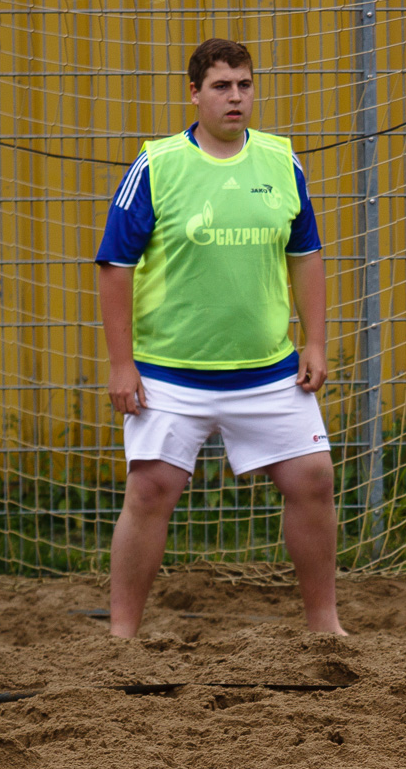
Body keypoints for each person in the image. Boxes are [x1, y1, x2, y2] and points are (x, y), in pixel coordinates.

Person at [96, 37, 344, 638]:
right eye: (221, 86)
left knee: (313, 477)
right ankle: (120, 636)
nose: (235, 97)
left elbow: (306, 255)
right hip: (168, 371)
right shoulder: (156, 165)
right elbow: (113, 266)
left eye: (245, 84)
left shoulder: (281, 161)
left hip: (267, 369)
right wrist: (121, 365)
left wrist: (315, 343)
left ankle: (325, 628)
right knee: (151, 489)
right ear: (195, 94)